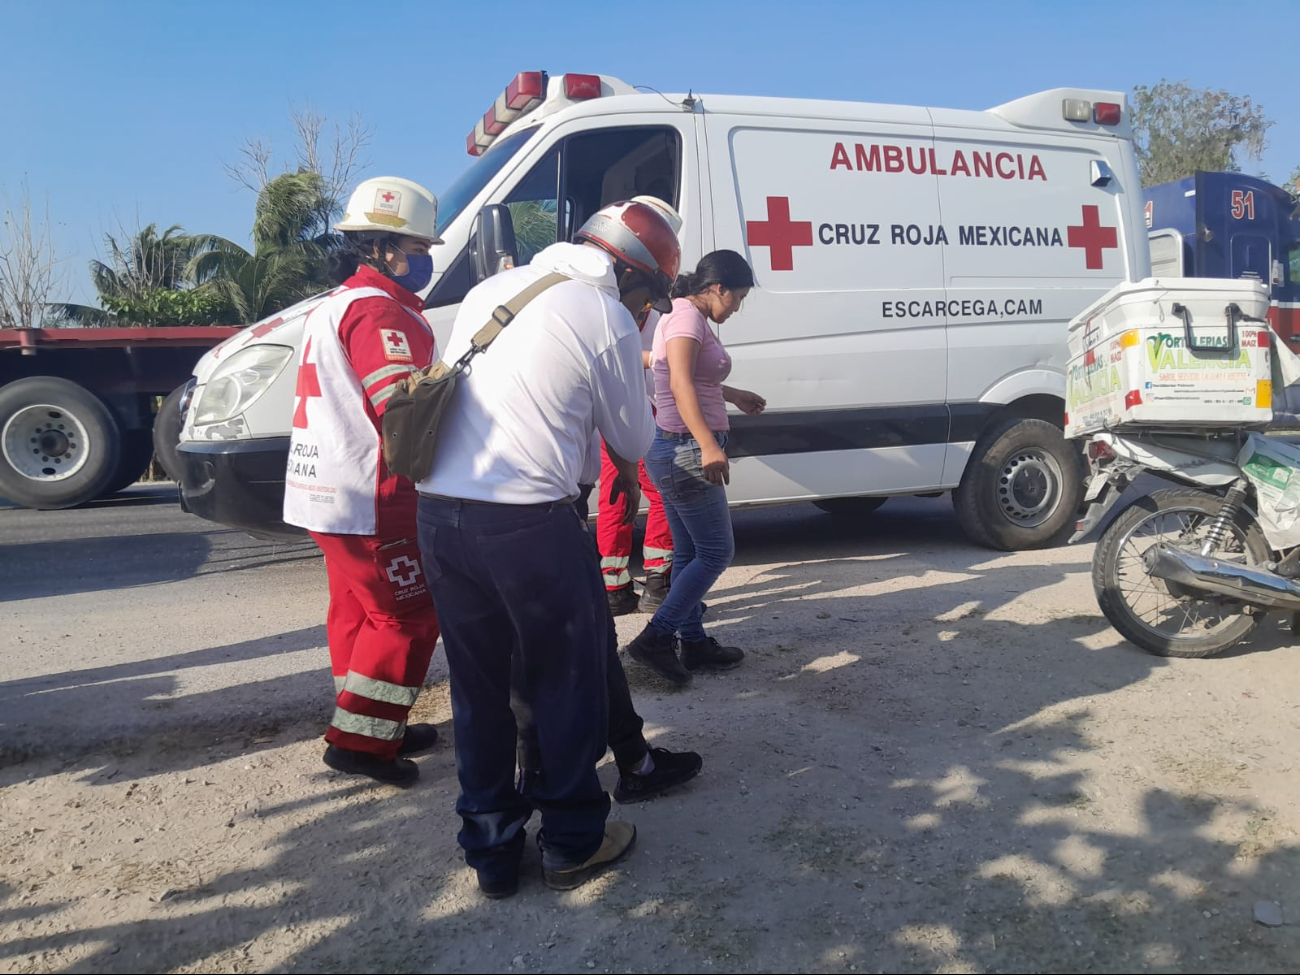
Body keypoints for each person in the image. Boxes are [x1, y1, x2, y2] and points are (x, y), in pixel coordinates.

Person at [416, 201, 680, 897]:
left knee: (479, 690)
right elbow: (633, 443)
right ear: (632, 275)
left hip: (441, 517)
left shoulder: (490, 290)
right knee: (561, 681)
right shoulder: (605, 315)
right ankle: (571, 839)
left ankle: (492, 850)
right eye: (650, 297)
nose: (648, 311)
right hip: (528, 523)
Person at [282, 176, 443, 786]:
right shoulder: (379, 312)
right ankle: (361, 744)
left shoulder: (337, 303)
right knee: (408, 617)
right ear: (379, 247)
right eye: (417, 246)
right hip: (373, 494)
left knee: (356, 611)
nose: (425, 257)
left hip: (325, 491)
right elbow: (404, 411)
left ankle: (374, 719)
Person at [624, 250, 766, 685]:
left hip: (673, 446)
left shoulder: (684, 314)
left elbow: (684, 376)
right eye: (738, 297)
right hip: (684, 448)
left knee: (688, 552)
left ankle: (695, 642)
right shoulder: (687, 319)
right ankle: (655, 639)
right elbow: (680, 381)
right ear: (717, 288)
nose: (737, 307)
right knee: (716, 552)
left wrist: (733, 393)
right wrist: (708, 444)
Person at [597, 195, 683, 615]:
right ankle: (658, 582)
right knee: (663, 493)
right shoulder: (655, 304)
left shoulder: (608, 296)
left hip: (610, 412)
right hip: (646, 411)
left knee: (616, 496)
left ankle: (613, 587)